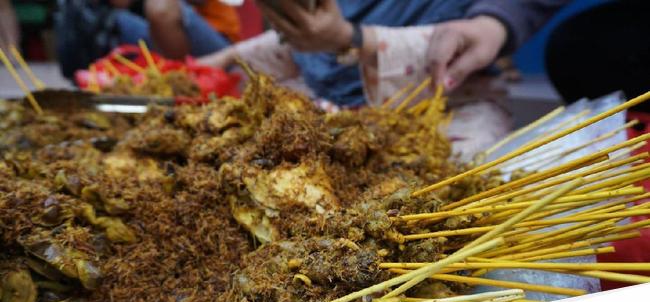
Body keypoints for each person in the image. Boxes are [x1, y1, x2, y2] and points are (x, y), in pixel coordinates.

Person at [200, 0, 570, 107]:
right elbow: (308, 39)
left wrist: (496, 22)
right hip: (324, 101)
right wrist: (228, 57)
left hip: (446, 105)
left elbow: (342, 33)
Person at [55, 0, 238, 78]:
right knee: (102, 14)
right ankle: (89, 75)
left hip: (218, 43)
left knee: (160, 6)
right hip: (162, 38)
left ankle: (181, 80)